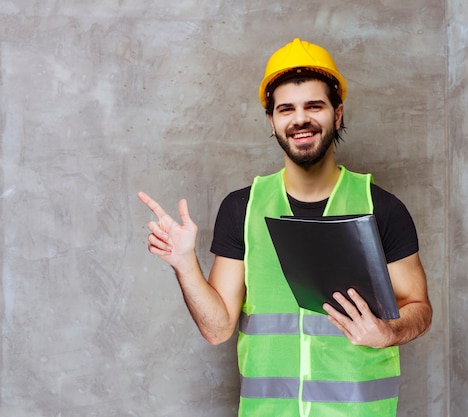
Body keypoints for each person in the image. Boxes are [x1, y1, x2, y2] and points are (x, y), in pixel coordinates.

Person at [138, 38, 432, 417]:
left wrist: (388, 333)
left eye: (314, 106)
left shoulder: (383, 209)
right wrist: (184, 264)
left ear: (337, 114)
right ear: (272, 121)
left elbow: (419, 308)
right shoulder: (241, 209)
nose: (300, 119)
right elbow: (217, 329)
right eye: (286, 109)